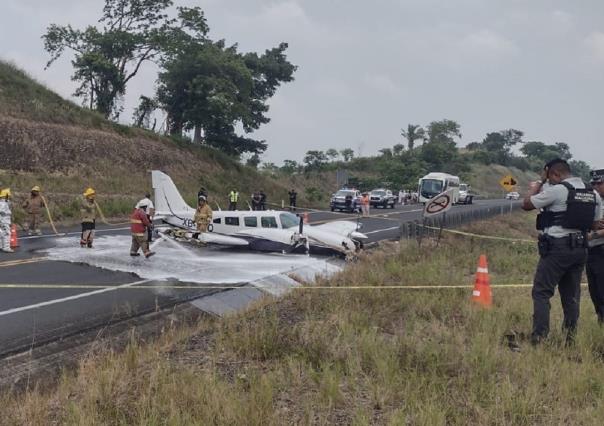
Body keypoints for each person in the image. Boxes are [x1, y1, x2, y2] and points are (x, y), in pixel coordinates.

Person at [522, 159, 598, 344]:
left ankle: (540, 337)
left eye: (550, 177)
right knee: (571, 296)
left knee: (542, 292)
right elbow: (596, 223)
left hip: (557, 248)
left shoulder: (557, 190)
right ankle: (569, 339)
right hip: (580, 248)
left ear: (555, 174)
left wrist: (539, 182)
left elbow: (526, 204)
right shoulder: (592, 192)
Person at [587, 169, 604, 323]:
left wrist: (594, 234)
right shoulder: (592, 200)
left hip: (601, 249)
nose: (596, 186)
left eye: (599, 183)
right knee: (594, 291)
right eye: (593, 183)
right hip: (590, 251)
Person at [0, 188, 14, 253]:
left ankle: (1, 246)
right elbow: (2, 211)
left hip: (3, 221)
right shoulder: (3, 203)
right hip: (4, 221)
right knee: (7, 234)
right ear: (6, 196)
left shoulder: (3, 202)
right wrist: (8, 212)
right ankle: (6, 247)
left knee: (2, 233)